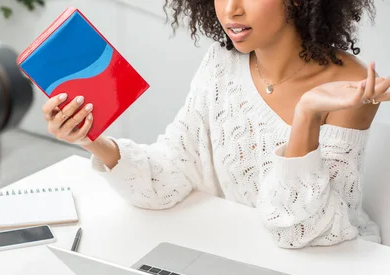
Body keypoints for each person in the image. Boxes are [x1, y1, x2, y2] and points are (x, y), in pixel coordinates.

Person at [41, 0, 390, 249]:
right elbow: (170, 174)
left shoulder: (352, 86)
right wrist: (91, 139)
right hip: (241, 252)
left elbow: (304, 231)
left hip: (335, 267)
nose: (230, 10)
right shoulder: (222, 63)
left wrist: (307, 114)